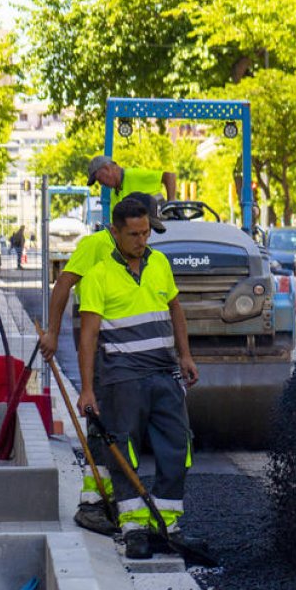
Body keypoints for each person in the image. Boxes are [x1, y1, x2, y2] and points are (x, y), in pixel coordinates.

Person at [76, 197, 198, 560]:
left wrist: (186, 355)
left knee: (178, 445)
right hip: (122, 379)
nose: (141, 240)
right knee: (124, 452)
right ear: (115, 232)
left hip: (164, 373)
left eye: (145, 232)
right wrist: (86, 389)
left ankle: (166, 523)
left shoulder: (159, 263)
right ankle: (133, 529)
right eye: (133, 234)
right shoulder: (98, 277)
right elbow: (88, 337)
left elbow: (175, 308)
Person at [40, 192, 168, 535]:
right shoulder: (95, 245)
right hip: (98, 338)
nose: (144, 239)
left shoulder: (143, 252)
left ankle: (106, 496)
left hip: (126, 343)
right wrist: (52, 332)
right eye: (138, 231)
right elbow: (64, 283)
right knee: (102, 417)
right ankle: (93, 503)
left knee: (115, 421)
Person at [87, 155, 178, 207]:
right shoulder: (114, 195)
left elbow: (169, 176)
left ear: (107, 169)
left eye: (99, 179)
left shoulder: (132, 175)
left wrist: (171, 204)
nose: (101, 183)